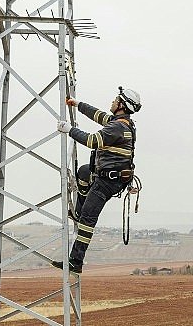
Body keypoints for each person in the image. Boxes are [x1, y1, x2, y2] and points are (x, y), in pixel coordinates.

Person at [52, 86, 141, 273]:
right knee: (84, 172)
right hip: (110, 177)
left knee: (88, 221)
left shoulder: (117, 127)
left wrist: (69, 130)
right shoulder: (122, 123)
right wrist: (77, 104)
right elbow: (98, 115)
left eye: (116, 99)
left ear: (122, 105)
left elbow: (92, 140)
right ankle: (78, 211)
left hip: (107, 182)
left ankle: (76, 262)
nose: (113, 101)